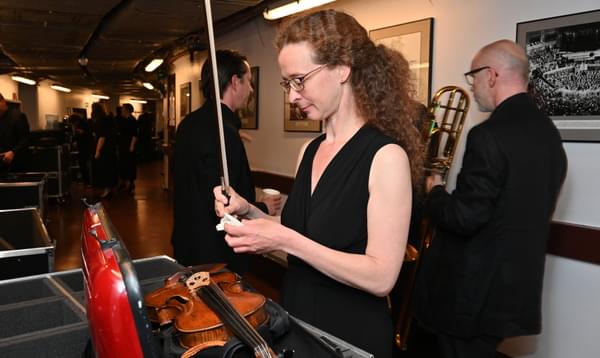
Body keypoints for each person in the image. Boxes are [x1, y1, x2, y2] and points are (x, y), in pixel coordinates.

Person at [214, 10, 424, 357]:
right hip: (298, 320)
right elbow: (303, 230)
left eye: (300, 80)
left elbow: (381, 277)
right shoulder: (309, 150)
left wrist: (286, 239)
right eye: (288, 83)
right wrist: (248, 210)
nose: (293, 95)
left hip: (350, 334)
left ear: (342, 69)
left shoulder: (386, 157)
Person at [412, 39, 568, 358]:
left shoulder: (488, 135)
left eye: (473, 78)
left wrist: (435, 191)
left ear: (492, 75)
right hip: (512, 297)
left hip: (471, 300)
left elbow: (465, 218)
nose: (472, 87)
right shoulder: (549, 134)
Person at [171, 49, 282, 273]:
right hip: (214, 253)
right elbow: (220, 202)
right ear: (234, 82)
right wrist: (262, 207)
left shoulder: (190, 124)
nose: (251, 90)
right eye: (249, 82)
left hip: (185, 242)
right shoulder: (223, 133)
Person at [91, 102, 118, 199]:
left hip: (105, 149)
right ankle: (109, 188)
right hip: (110, 148)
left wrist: (98, 150)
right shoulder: (108, 119)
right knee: (110, 168)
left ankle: (107, 189)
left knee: (105, 169)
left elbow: (102, 137)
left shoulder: (101, 121)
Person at [0, 92, 30, 175]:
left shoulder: (18, 116)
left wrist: (13, 152)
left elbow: (25, 139)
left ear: (2, 102)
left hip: (16, 164)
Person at [117, 103, 138, 191]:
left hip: (129, 145)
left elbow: (135, 135)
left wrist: (132, 146)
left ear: (127, 110)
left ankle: (129, 183)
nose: (121, 110)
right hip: (122, 145)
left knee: (129, 164)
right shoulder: (122, 120)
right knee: (123, 164)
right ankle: (124, 182)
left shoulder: (132, 120)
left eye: (123, 108)